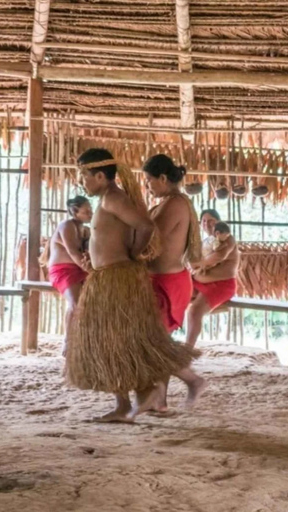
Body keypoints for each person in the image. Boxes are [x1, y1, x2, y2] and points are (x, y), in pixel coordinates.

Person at [65, 148, 198, 423]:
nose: (81, 182)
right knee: (115, 343)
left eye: (84, 175)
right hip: (107, 278)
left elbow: (145, 226)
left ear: (100, 175)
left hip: (118, 279)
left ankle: (174, 386)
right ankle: (127, 404)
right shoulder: (107, 200)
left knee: (131, 342)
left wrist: (135, 254)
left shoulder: (114, 198)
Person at [143, 154, 208, 413]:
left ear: (162, 178)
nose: (147, 185)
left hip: (169, 282)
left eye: (149, 180)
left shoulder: (175, 204)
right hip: (161, 279)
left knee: (157, 343)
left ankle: (193, 381)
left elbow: (150, 239)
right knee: (156, 341)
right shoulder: (168, 202)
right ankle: (159, 400)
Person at [45, 196, 92, 355]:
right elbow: (72, 252)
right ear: (74, 212)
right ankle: (68, 341)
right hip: (62, 270)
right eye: (86, 210)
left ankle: (84, 340)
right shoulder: (66, 225)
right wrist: (90, 271)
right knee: (75, 303)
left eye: (90, 209)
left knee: (88, 304)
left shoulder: (85, 230)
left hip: (80, 269)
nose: (90, 213)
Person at [187, 220, 239, 348]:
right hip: (198, 283)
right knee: (171, 295)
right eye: (204, 221)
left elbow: (218, 256)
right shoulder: (206, 241)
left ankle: (187, 349)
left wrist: (198, 264)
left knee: (194, 312)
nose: (207, 224)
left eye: (210, 221)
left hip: (222, 285)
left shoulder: (228, 239)